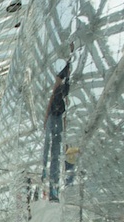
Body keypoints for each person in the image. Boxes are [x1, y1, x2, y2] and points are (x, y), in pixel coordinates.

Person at [42, 56, 71, 202]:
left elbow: (67, 104)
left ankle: (53, 188)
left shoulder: (67, 85)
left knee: (55, 151)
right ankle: (45, 174)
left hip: (58, 118)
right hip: (54, 117)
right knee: (49, 147)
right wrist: (46, 117)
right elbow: (53, 97)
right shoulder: (61, 82)